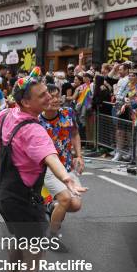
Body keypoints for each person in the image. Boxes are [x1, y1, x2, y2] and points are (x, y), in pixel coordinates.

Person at [0, 68, 86, 272]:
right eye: (42, 95)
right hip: (23, 197)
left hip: (4, 193)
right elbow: (51, 158)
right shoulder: (34, 129)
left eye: (48, 92)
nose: (49, 97)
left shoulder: (5, 115)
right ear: (26, 102)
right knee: (34, 253)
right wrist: (67, 179)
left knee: (20, 240)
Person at [39, 85, 84, 244]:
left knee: (75, 205)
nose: (57, 100)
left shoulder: (68, 113)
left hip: (66, 167)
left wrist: (79, 155)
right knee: (65, 200)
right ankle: (52, 236)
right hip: (46, 169)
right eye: (52, 97)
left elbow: (75, 133)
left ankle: (52, 206)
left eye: (58, 96)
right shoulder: (36, 120)